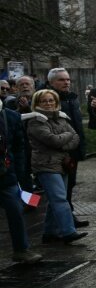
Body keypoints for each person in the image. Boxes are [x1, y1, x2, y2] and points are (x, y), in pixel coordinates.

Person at [23, 90, 88, 245]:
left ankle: (49, 233)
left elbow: (76, 137)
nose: (49, 103)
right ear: (37, 104)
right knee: (59, 199)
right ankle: (68, 232)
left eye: (51, 100)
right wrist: (66, 137)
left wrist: (63, 141)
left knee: (56, 199)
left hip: (61, 163)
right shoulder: (35, 121)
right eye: (44, 101)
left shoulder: (60, 117)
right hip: (45, 164)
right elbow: (53, 140)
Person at [0, 100, 43, 263]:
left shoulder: (8, 116)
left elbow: (18, 147)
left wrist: (19, 173)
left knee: (16, 211)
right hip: (8, 175)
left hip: (5, 176)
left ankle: (21, 249)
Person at [46, 68, 88, 228]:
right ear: (51, 82)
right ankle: (63, 223)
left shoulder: (72, 99)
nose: (66, 83)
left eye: (68, 79)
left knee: (69, 185)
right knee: (59, 190)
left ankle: (66, 218)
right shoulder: (49, 100)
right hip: (60, 152)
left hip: (73, 149)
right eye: (61, 80)